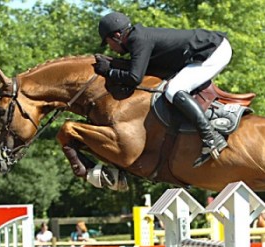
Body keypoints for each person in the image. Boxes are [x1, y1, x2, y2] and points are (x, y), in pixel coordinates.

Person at [94, 11, 231, 166]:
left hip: (215, 52)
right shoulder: (137, 38)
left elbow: (134, 78)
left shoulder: (138, 40)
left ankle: (211, 136)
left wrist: (109, 72)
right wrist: (115, 64)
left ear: (117, 35)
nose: (110, 48)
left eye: (108, 42)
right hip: (206, 49)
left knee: (174, 89)